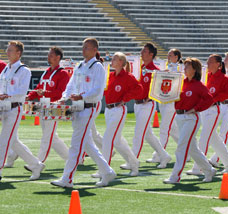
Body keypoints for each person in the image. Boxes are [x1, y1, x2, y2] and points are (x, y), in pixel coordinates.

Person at [51, 37, 116, 188]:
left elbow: (98, 90)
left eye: (87, 47)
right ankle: (107, 171)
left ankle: (67, 177)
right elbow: (71, 84)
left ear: (94, 50)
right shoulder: (80, 65)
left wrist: (82, 96)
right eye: (83, 47)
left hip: (89, 106)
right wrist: (63, 98)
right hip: (77, 106)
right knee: (86, 143)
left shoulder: (98, 67)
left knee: (76, 143)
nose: (83, 50)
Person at [5, 47, 70, 168]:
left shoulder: (63, 73)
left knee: (47, 137)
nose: (48, 57)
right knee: (52, 137)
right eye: (48, 55)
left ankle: (37, 163)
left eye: (51, 55)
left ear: (57, 57)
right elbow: (38, 88)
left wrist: (45, 93)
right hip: (44, 105)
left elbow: (61, 93)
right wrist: (29, 96)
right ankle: (72, 158)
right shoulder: (47, 72)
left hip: (54, 105)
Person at [163, 57, 217, 184]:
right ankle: (209, 169)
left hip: (190, 119)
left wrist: (196, 109)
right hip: (180, 117)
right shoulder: (181, 82)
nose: (184, 68)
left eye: (187, 66)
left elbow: (209, 100)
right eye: (185, 66)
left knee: (181, 146)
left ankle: (175, 176)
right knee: (192, 148)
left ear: (194, 70)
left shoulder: (199, 85)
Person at [121, 42, 172, 170]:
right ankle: (164, 155)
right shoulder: (140, 68)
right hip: (138, 104)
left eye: (144, 51)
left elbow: (161, 88)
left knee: (138, 133)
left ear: (151, 54)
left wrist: (150, 96)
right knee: (148, 134)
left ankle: (132, 161)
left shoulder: (155, 70)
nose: (141, 53)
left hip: (147, 104)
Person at [0, 41, 45, 181]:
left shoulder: (24, 70)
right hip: (3, 107)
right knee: (13, 142)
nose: (7, 52)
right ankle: (36, 164)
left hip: (14, 108)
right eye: (7, 50)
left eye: (10, 50)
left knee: (4, 141)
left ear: (18, 53)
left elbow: (22, 91)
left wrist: (6, 95)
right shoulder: (6, 69)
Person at [186, 54, 228, 175]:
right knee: (214, 139)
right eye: (207, 62)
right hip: (204, 110)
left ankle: (198, 167)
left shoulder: (224, 78)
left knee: (204, 138)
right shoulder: (207, 76)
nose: (208, 64)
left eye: (211, 62)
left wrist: (214, 99)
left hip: (213, 110)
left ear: (218, 65)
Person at [99, 52, 142, 177]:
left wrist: (125, 99)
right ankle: (134, 163)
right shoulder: (111, 75)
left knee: (107, 138)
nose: (112, 61)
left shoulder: (128, 76)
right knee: (117, 141)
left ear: (121, 63)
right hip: (108, 109)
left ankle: (104, 169)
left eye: (115, 59)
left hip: (118, 109)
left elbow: (139, 89)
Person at [146, 48, 180, 163]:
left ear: (176, 57)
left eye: (171, 55)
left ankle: (159, 155)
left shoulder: (180, 69)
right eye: (168, 55)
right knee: (173, 130)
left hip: (171, 102)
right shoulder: (167, 67)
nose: (168, 57)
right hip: (164, 100)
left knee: (164, 129)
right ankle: (188, 151)